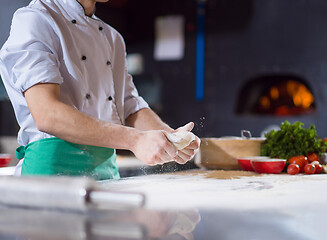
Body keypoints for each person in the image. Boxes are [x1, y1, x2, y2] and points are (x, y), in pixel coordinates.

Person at [0, 0, 200, 180]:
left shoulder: (112, 38)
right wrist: (135, 140)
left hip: (105, 173)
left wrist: (170, 138)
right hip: (50, 177)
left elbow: (130, 106)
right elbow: (48, 114)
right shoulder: (36, 19)